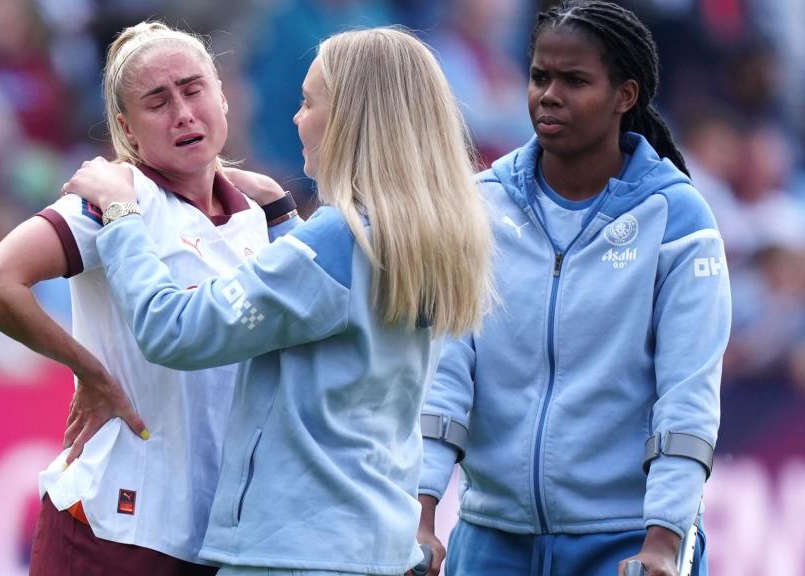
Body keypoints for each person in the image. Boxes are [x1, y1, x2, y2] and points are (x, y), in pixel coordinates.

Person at [61, 26, 495, 576]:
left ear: (351, 120)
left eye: (308, 102)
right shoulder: (422, 233)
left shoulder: (338, 239)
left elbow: (174, 330)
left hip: (295, 552)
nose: (296, 118)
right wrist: (286, 220)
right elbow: (330, 318)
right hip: (376, 542)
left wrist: (122, 215)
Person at [415, 2, 731, 576]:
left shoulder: (679, 220)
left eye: (574, 80)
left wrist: (663, 540)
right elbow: (445, 373)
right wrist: (421, 512)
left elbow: (687, 397)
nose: (548, 95)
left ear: (626, 95)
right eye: (539, 77)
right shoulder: (480, 205)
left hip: (628, 544)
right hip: (491, 538)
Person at [0, 21, 270, 576]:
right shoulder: (115, 200)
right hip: (115, 525)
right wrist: (92, 373)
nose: (182, 112)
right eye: (158, 101)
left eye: (193, 88)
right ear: (126, 128)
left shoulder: (253, 214)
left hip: (211, 532)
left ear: (222, 94)